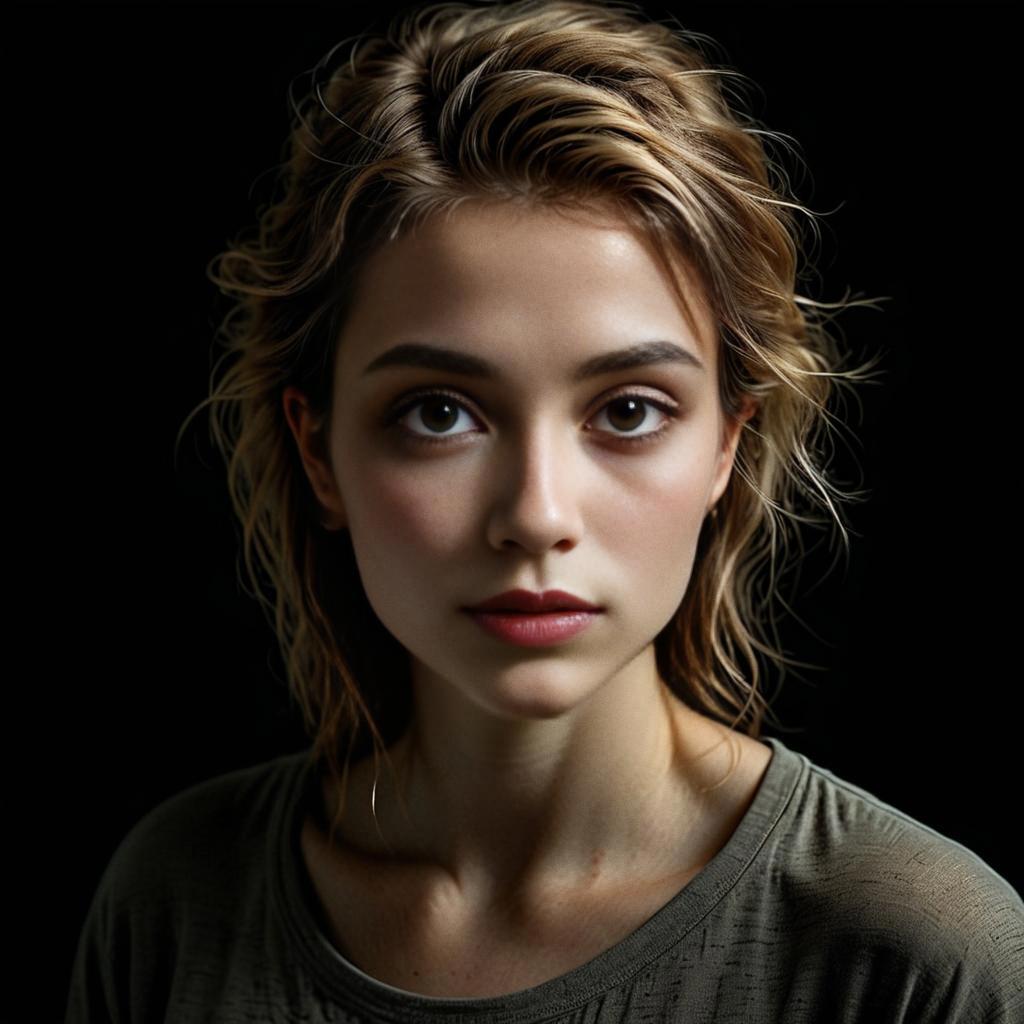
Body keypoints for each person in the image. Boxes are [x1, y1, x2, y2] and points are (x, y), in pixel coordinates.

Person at [66, 0, 1024, 1021]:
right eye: (438, 413)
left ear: (725, 445)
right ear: (319, 450)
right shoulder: (175, 898)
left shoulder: (914, 951)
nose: (534, 514)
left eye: (626, 410)